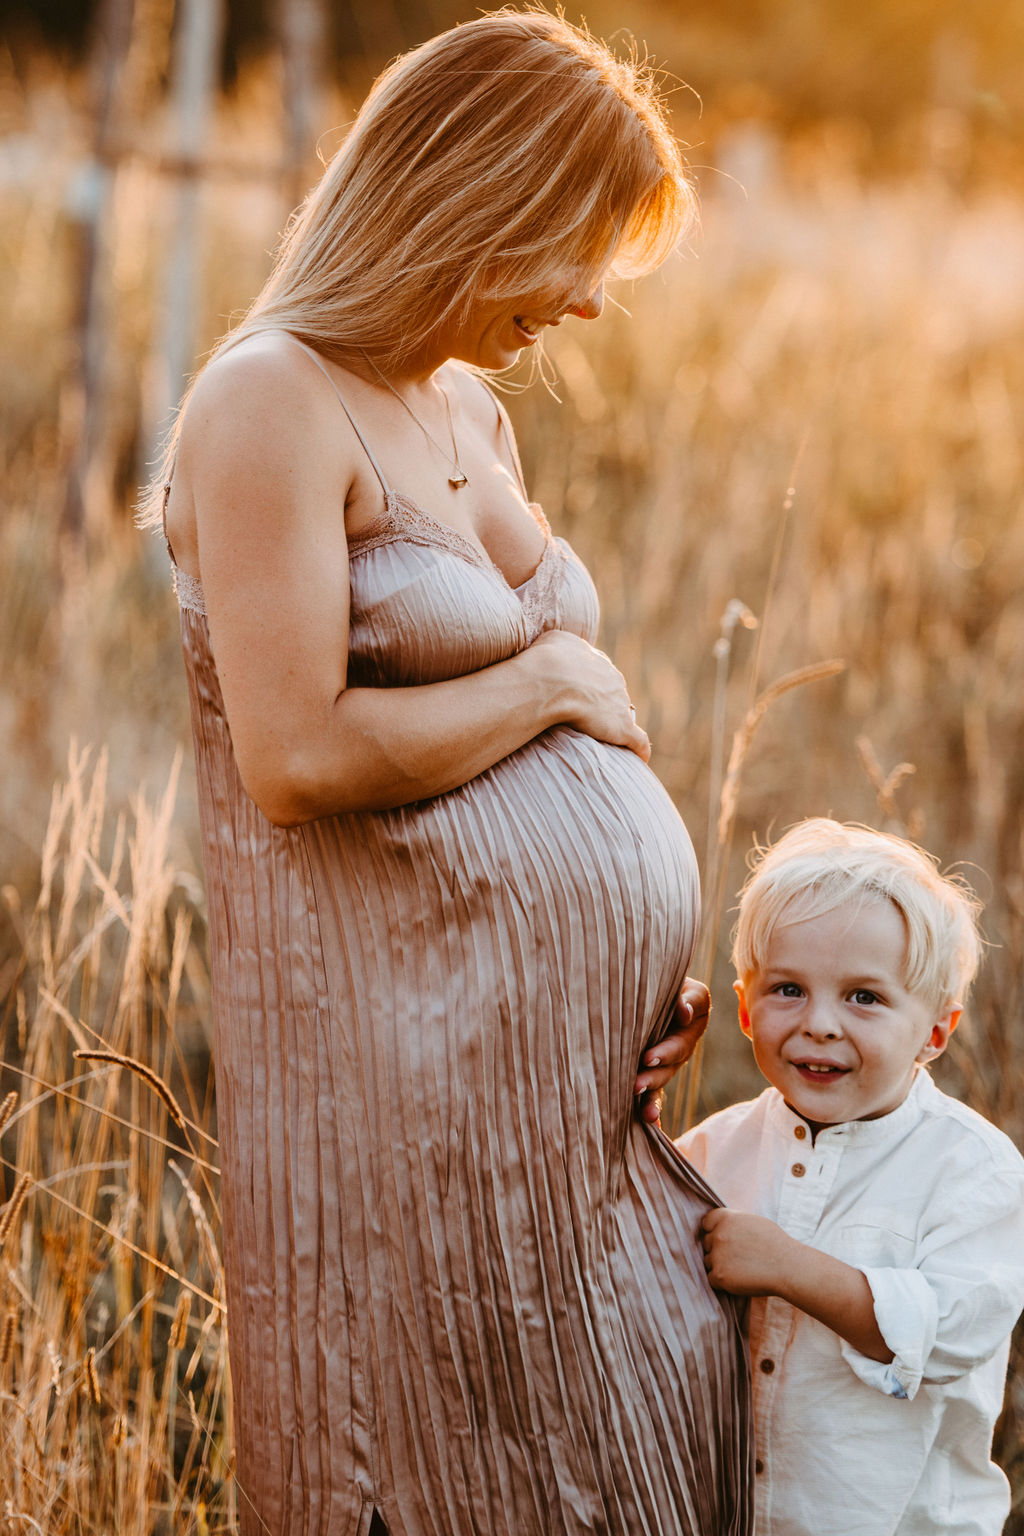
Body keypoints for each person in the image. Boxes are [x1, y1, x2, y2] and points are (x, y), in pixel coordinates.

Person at [149, 10, 753, 1533]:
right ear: (477, 195)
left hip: (569, 1114)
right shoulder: (268, 400)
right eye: (580, 247)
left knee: (642, 1449)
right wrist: (552, 679)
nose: (595, 304)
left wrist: (618, 978)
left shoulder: (466, 405)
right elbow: (297, 758)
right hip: (406, 1118)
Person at [677, 818, 1024, 1536]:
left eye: (864, 997)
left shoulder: (975, 1171)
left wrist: (787, 1266)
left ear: (935, 1030)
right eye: (787, 989)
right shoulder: (714, 1150)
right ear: (744, 1007)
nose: (820, 1024)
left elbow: (952, 1331)